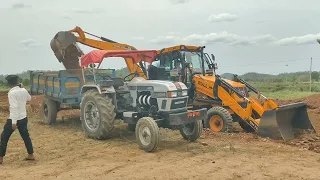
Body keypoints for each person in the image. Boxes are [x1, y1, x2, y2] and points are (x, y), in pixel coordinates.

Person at [0, 75, 35, 165]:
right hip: (23, 118)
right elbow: (29, 98)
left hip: (14, 119)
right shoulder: (23, 90)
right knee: (26, 136)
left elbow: (14, 107)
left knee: (4, 137)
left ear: (9, 84)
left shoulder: (12, 93)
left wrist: (14, 122)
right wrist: (23, 88)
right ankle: (31, 155)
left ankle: (0, 158)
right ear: (17, 82)